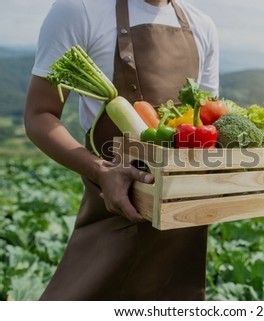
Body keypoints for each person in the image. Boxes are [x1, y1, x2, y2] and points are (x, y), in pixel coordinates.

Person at [24, 0, 219, 300]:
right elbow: (39, 115)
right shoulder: (79, 10)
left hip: (182, 226)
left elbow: (206, 118)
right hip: (114, 208)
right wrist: (101, 171)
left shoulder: (202, 25)